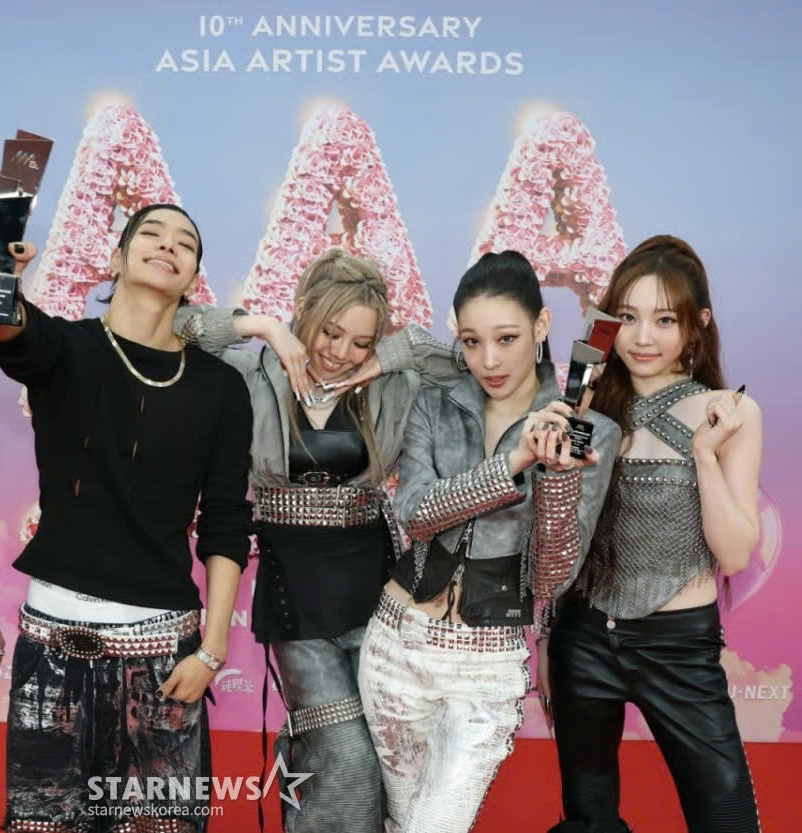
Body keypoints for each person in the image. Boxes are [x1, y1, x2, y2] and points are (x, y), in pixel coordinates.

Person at [0, 200, 253, 831]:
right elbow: (8, 329)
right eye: (152, 233)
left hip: (166, 660)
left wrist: (213, 649)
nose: (168, 244)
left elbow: (226, 523)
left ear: (194, 277)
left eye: (185, 242)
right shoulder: (68, 349)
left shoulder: (221, 388)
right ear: (116, 258)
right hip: (52, 652)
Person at [173, 248, 459, 832]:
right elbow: (175, 326)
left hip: (376, 591)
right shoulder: (255, 370)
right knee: (347, 750)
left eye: (360, 340)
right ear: (303, 310)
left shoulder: (392, 380)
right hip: (294, 596)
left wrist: (383, 357)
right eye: (330, 332)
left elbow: (469, 364)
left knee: (382, 751)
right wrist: (264, 326)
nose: (340, 351)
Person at [359, 250, 619, 833]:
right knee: (402, 822)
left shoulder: (591, 431)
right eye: (472, 343)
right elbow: (416, 515)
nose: (490, 360)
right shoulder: (435, 404)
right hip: (395, 648)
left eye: (506, 338)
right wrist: (513, 463)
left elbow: (550, 577)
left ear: (542, 325)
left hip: (486, 665)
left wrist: (556, 475)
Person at [545, 236, 763, 833]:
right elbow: (562, 532)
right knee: (589, 821)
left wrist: (705, 455)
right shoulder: (585, 407)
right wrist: (547, 637)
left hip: (679, 648)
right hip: (583, 638)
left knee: (728, 822)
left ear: (698, 324)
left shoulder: (729, 412)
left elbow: (735, 554)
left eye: (665, 320)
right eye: (628, 317)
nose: (643, 338)